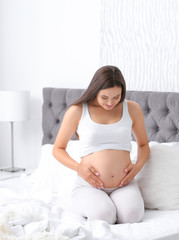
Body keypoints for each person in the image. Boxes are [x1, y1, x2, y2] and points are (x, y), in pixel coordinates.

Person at [53, 65, 150, 224]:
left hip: (123, 184)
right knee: (103, 215)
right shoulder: (78, 110)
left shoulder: (132, 109)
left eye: (116, 97)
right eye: (104, 97)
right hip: (89, 185)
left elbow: (144, 145)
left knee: (132, 216)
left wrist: (138, 167)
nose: (110, 102)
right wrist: (79, 168)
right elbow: (58, 149)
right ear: (95, 90)